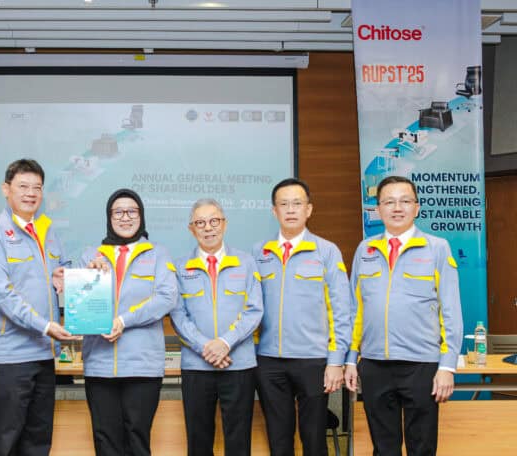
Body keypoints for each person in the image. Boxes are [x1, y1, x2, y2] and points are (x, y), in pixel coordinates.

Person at [344, 175, 463, 455]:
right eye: (389, 202)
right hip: (374, 364)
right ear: (378, 209)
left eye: (405, 201)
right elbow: (354, 310)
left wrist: (446, 367)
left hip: (421, 365)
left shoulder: (437, 248)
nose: (397, 208)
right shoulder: (365, 249)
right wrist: (350, 359)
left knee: (421, 447)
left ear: (417, 207)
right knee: (383, 447)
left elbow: (451, 311)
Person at [0, 159, 76, 456]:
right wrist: (45, 325)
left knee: (38, 439)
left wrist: (65, 276)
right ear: (6, 189)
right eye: (23, 186)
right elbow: (1, 294)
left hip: (43, 353)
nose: (31, 193)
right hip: (9, 357)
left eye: (37, 187)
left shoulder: (47, 231)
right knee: (5, 441)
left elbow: (60, 269)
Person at [252, 178, 351, 456]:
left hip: (313, 360)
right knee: (278, 439)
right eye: (283, 204)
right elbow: (249, 308)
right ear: (274, 211)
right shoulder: (259, 253)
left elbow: (342, 310)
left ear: (309, 209)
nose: (290, 209)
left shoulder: (326, 251)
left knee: (314, 439)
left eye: (297, 203)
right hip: (269, 360)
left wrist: (336, 361)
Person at [80, 188, 178, 456]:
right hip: (100, 365)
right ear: (109, 217)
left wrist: (124, 320)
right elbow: (83, 307)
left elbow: (167, 297)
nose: (125, 217)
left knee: (138, 439)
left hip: (142, 366)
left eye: (132, 211)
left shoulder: (158, 254)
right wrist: (88, 280)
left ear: (141, 215)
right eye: (118, 212)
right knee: (105, 441)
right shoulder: (91, 256)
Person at [170, 198, 263, 456]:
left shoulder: (246, 262)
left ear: (224, 224)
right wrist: (206, 347)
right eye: (200, 223)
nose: (208, 227)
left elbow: (254, 310)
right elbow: (178, 315)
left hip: (238, 364)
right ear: (191, 229)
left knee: (239, 439)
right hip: (196, 366)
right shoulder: (179, 267)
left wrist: (224, 343)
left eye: (214, 221)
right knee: (198, 441)